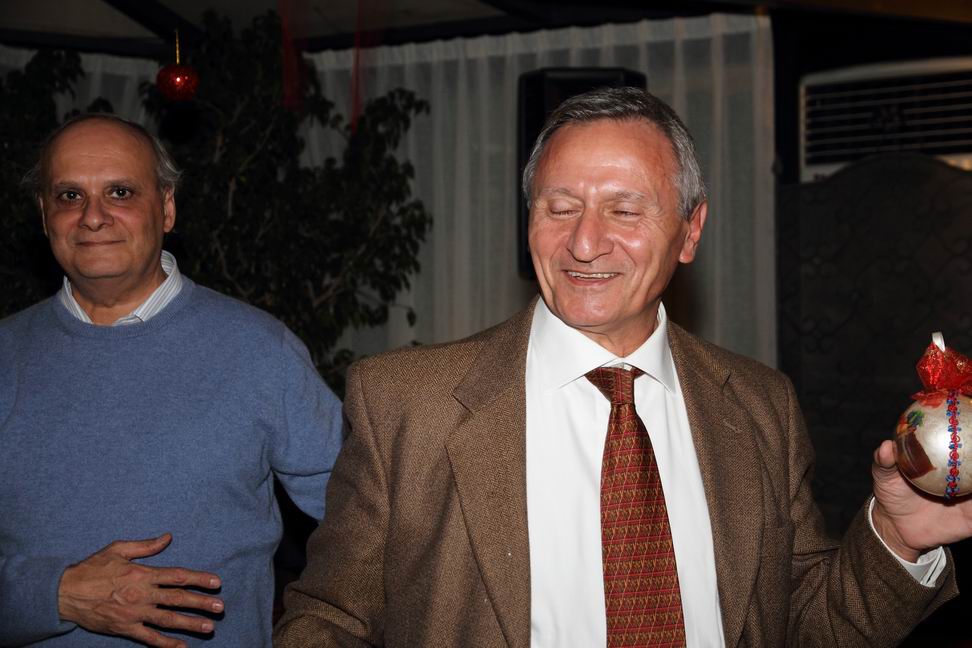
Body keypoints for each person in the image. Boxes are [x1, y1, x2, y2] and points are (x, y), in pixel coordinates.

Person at [274, 86, 965, 647]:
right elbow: (331, 619)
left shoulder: (761, 406)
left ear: (690, 230)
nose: (584, 241)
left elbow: (805, 626)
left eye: (624, 209)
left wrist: (896, 539)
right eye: (560, 207)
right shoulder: (404, 404)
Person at [0, 114, 342, 647]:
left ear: (166, 207)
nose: (93, 217)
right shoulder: (6, 356)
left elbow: (371, 522)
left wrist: (317, 633)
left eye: (120, 192)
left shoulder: (259, 351)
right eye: (69, 195)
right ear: (44, 215)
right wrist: (56, 594)